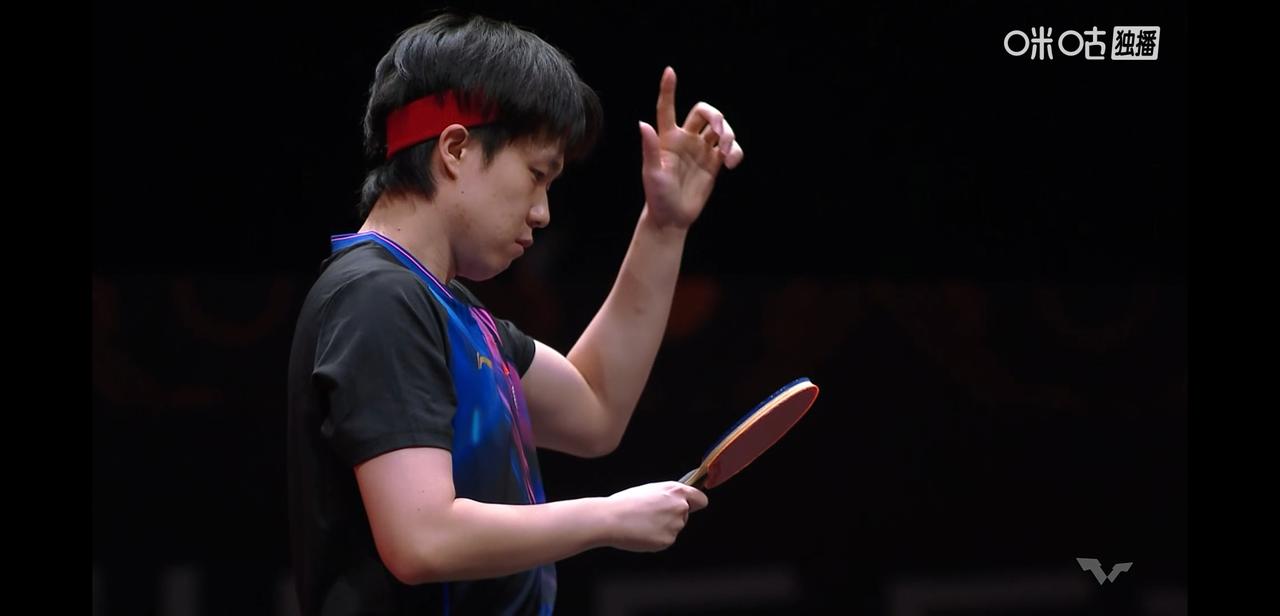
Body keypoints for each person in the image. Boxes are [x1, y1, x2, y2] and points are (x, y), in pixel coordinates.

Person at [287, 10, 744, 615]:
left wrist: (664, 227)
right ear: (455, 148)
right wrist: (606, 517)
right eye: (536, 175)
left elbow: (595, 408)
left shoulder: (449, 309)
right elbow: (420, 538)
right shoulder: (376, 298)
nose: (542, 212)